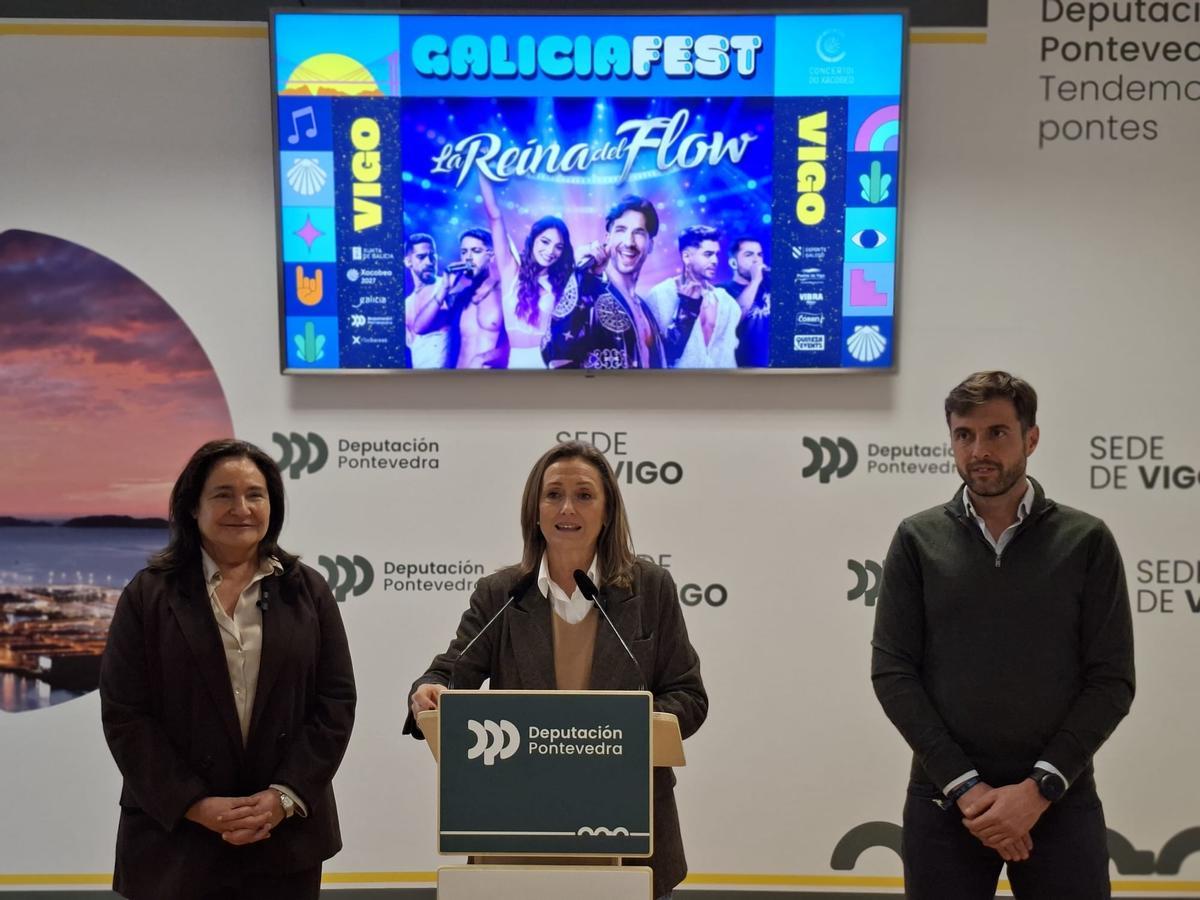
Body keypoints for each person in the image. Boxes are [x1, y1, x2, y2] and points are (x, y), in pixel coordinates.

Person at [871, 371, 1135, 899]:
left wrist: (1037, 791)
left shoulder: (1086, 540)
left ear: (1030, 439)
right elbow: (893, 672)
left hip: (1058, 800)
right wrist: (968, 790)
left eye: (997, 433)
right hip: (946, 803)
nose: (979, 451)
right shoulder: (917, 539)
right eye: (964, 435)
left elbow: (1111, 681)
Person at [403, 441, 707, 899]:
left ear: (607, 511)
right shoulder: (502, 593)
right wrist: (429, 688)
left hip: (628, 825)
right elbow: (450, 671)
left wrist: (625, 730)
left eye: (584, 495)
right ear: (536, 510)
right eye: (553, 495)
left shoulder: (651, 589)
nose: (567, 508)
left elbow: (688, 695)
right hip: (519, 824)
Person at [99, 440, 356, 900]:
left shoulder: (308, 591)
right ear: (192, 507)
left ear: (272, 506)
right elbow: (126, 715)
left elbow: (335, 703)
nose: (242, 508)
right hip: (174, 839)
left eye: (255, 495)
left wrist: (283, 797)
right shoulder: (148, 594)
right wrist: (195, 804)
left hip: (282, 838)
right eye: (223, 495)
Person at [544, 196, 666, 369]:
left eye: (638, 233)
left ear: (650, 244)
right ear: (608, 238)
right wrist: (583, 276)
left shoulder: (644, 308)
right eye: (621, 230)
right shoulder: (589, 292)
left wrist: (690, 306)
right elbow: (552, 352)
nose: (629, 242)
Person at [479, 175, 576, 369]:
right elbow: (495, 216)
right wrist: (481, 169)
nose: (550, 251)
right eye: (545, 242)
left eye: (558, 247)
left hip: (552, 365)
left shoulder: (563, 283)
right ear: (533, 240)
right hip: (517, 365)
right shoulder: (511, 272)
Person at [645, 225, 740, 368]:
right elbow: (655, 354)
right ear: (686, 257)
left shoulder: (726, 302)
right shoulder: (660, 296)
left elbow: (728, 355)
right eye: (708, 254)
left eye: (716, 254)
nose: (715, 260)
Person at [443, 227, 507, 369]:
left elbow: (518, 345)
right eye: (464, 252)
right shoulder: (461, 298)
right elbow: (421, 327)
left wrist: (482, 358)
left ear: (491, 255)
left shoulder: (505, 294)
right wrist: (445, 288)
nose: (468, 257)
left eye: (476, 251)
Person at [717, 236, 770, 368]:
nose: (756, 260)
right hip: (739, 369)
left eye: (759, 255)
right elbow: (733, 319)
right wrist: (755, 281)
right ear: (733, 263)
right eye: (749, 255)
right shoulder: (721, 291)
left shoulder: (769, 287)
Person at [403, 232, 450, 369]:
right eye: (421, 257)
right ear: (408, 261)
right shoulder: (407, 304)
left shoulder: (448, 287)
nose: (429, 262)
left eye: (432, 256)